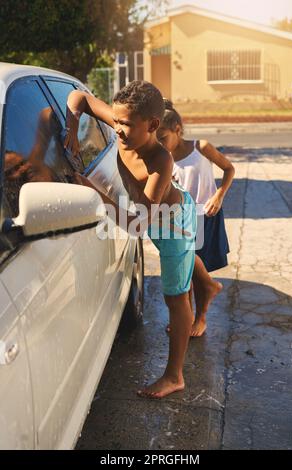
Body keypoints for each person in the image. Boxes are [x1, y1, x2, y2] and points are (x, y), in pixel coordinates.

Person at [64, 81, 197, 399]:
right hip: (154, 215)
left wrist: (93, 190)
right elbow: (78, 97)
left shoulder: (159, 162)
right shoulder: (122, 119)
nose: (118, 129)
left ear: (153, 126)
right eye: (117, 121)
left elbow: (137, 225)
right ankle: (202, 285)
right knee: (185, 271)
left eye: (126, 125)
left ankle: (174, 376)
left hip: (172, 225)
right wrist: (72, 127)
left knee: (175, 297)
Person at [157, 99, 235, 337]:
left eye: (163, 137)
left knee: (197, 276)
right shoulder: (163, 158)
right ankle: (186, 317)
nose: (160, 143)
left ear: (178, 130)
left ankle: (200, 319)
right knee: (185, 273)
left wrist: (219, 196)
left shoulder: (201, 147)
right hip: (180, 219)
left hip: (205, 215)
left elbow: (229, 169)